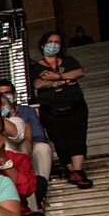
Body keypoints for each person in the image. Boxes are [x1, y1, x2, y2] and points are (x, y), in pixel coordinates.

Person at [32, 31, 91, 188]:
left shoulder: (68, 60)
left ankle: (78, 171)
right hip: (50, 109)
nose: (53, 45)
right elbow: (38, 84)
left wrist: (56, 78)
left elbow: (78, 72)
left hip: (75, 105)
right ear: (43, 44)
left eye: (57, 42)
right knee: (59, 139)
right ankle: (70, 169)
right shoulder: (35, 66)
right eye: (50, 41)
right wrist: (65, 81)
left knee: (77, 136)